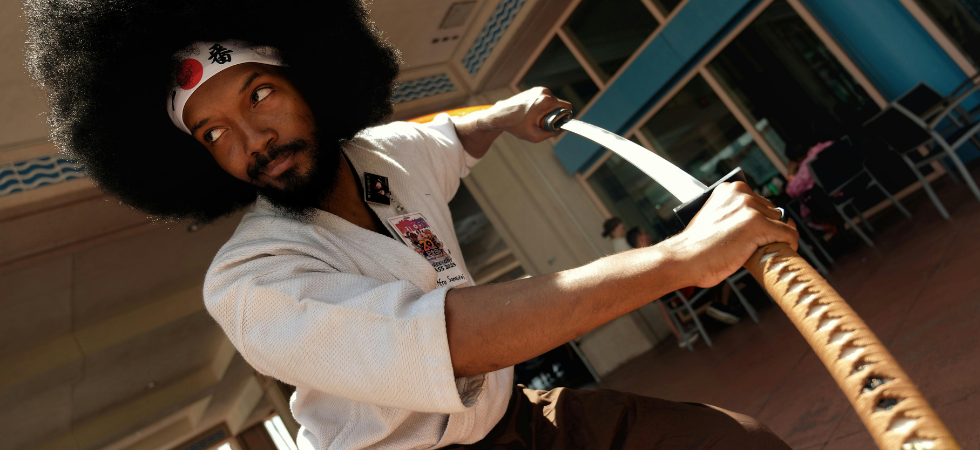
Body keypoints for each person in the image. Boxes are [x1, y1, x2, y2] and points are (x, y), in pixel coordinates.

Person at [24, 1, 798, 448]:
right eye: (213, 133)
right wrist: (682, 258)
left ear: (308, 79)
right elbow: (453, 335)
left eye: (258, 96)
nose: (249, 140)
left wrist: (510, 114)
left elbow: (455, 136)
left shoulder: (382, 155)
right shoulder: (251, 282)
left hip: (521, 427)